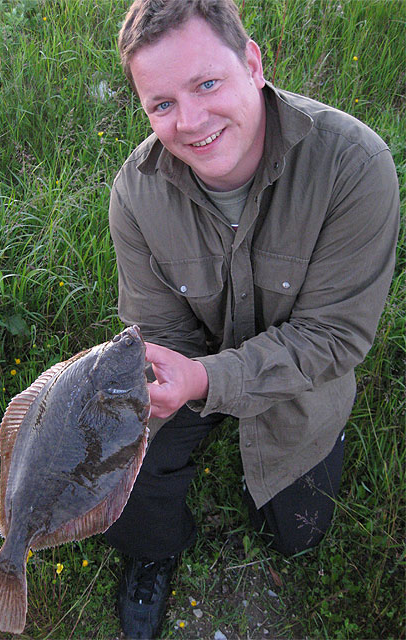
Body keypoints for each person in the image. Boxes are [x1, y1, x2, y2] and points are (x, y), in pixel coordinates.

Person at [104, 1, 400, 637]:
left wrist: (210, 380)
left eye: (207, 83)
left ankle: (314, 444)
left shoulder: (354, 166)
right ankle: (153, 554)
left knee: (297, 535)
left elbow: (334, 338)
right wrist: (167, 380)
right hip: (190, 363)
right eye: (161, 105)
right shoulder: (135, 192)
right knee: (125, 474)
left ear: (253, 64)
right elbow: (159, 331)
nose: (191, 122)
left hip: (300, 378)